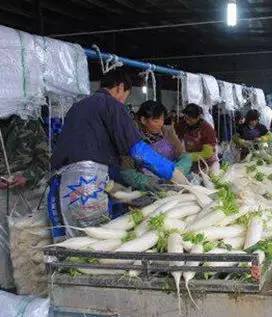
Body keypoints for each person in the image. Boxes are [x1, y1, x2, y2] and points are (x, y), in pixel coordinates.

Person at [49, 69, 191, 238]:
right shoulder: (112, 105)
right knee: (91, 245)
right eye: (126, 95)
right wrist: (174, 173)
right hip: (85, 186)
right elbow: (139, 151)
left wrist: (118, 190)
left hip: (60, 184)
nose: (124, 101)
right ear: (120, 87)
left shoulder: (78, 107)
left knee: (70, 244)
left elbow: (88, 153)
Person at [0, 116, 49, 289]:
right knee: (3, 245)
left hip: (29, 192)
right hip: (2, 193)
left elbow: (46, 158)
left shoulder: (29, 122)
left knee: (29, 240)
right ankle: (7, 289)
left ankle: (33, 290)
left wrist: (27, 177)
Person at [119, 100, 188, 192]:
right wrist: (146, 182)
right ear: (143, 120)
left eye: (162, 119)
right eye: (156, 121)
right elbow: (126, 172)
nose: (161, 124)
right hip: (148, 189)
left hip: (173, 183)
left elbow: (184, 155)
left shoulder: (167, 131)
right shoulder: (132, 138)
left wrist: (180, 169)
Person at [175, 103, 219, 172]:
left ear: (198, 117)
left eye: (190, 119)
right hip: (192, 162)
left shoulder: (207, 129)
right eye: (185, 118)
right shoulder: (183, 124)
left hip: (208, 163)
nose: (187, 121)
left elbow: (207, 153)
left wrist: (189, 156)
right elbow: (175, 137)